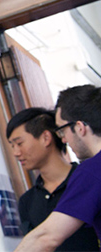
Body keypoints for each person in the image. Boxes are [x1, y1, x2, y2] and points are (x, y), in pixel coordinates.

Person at [16, 84, 101, 251]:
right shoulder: (28, 201)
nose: (63, 139)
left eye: (62, 131)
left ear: (79, 127)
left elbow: (47, 237)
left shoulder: (91, 171)